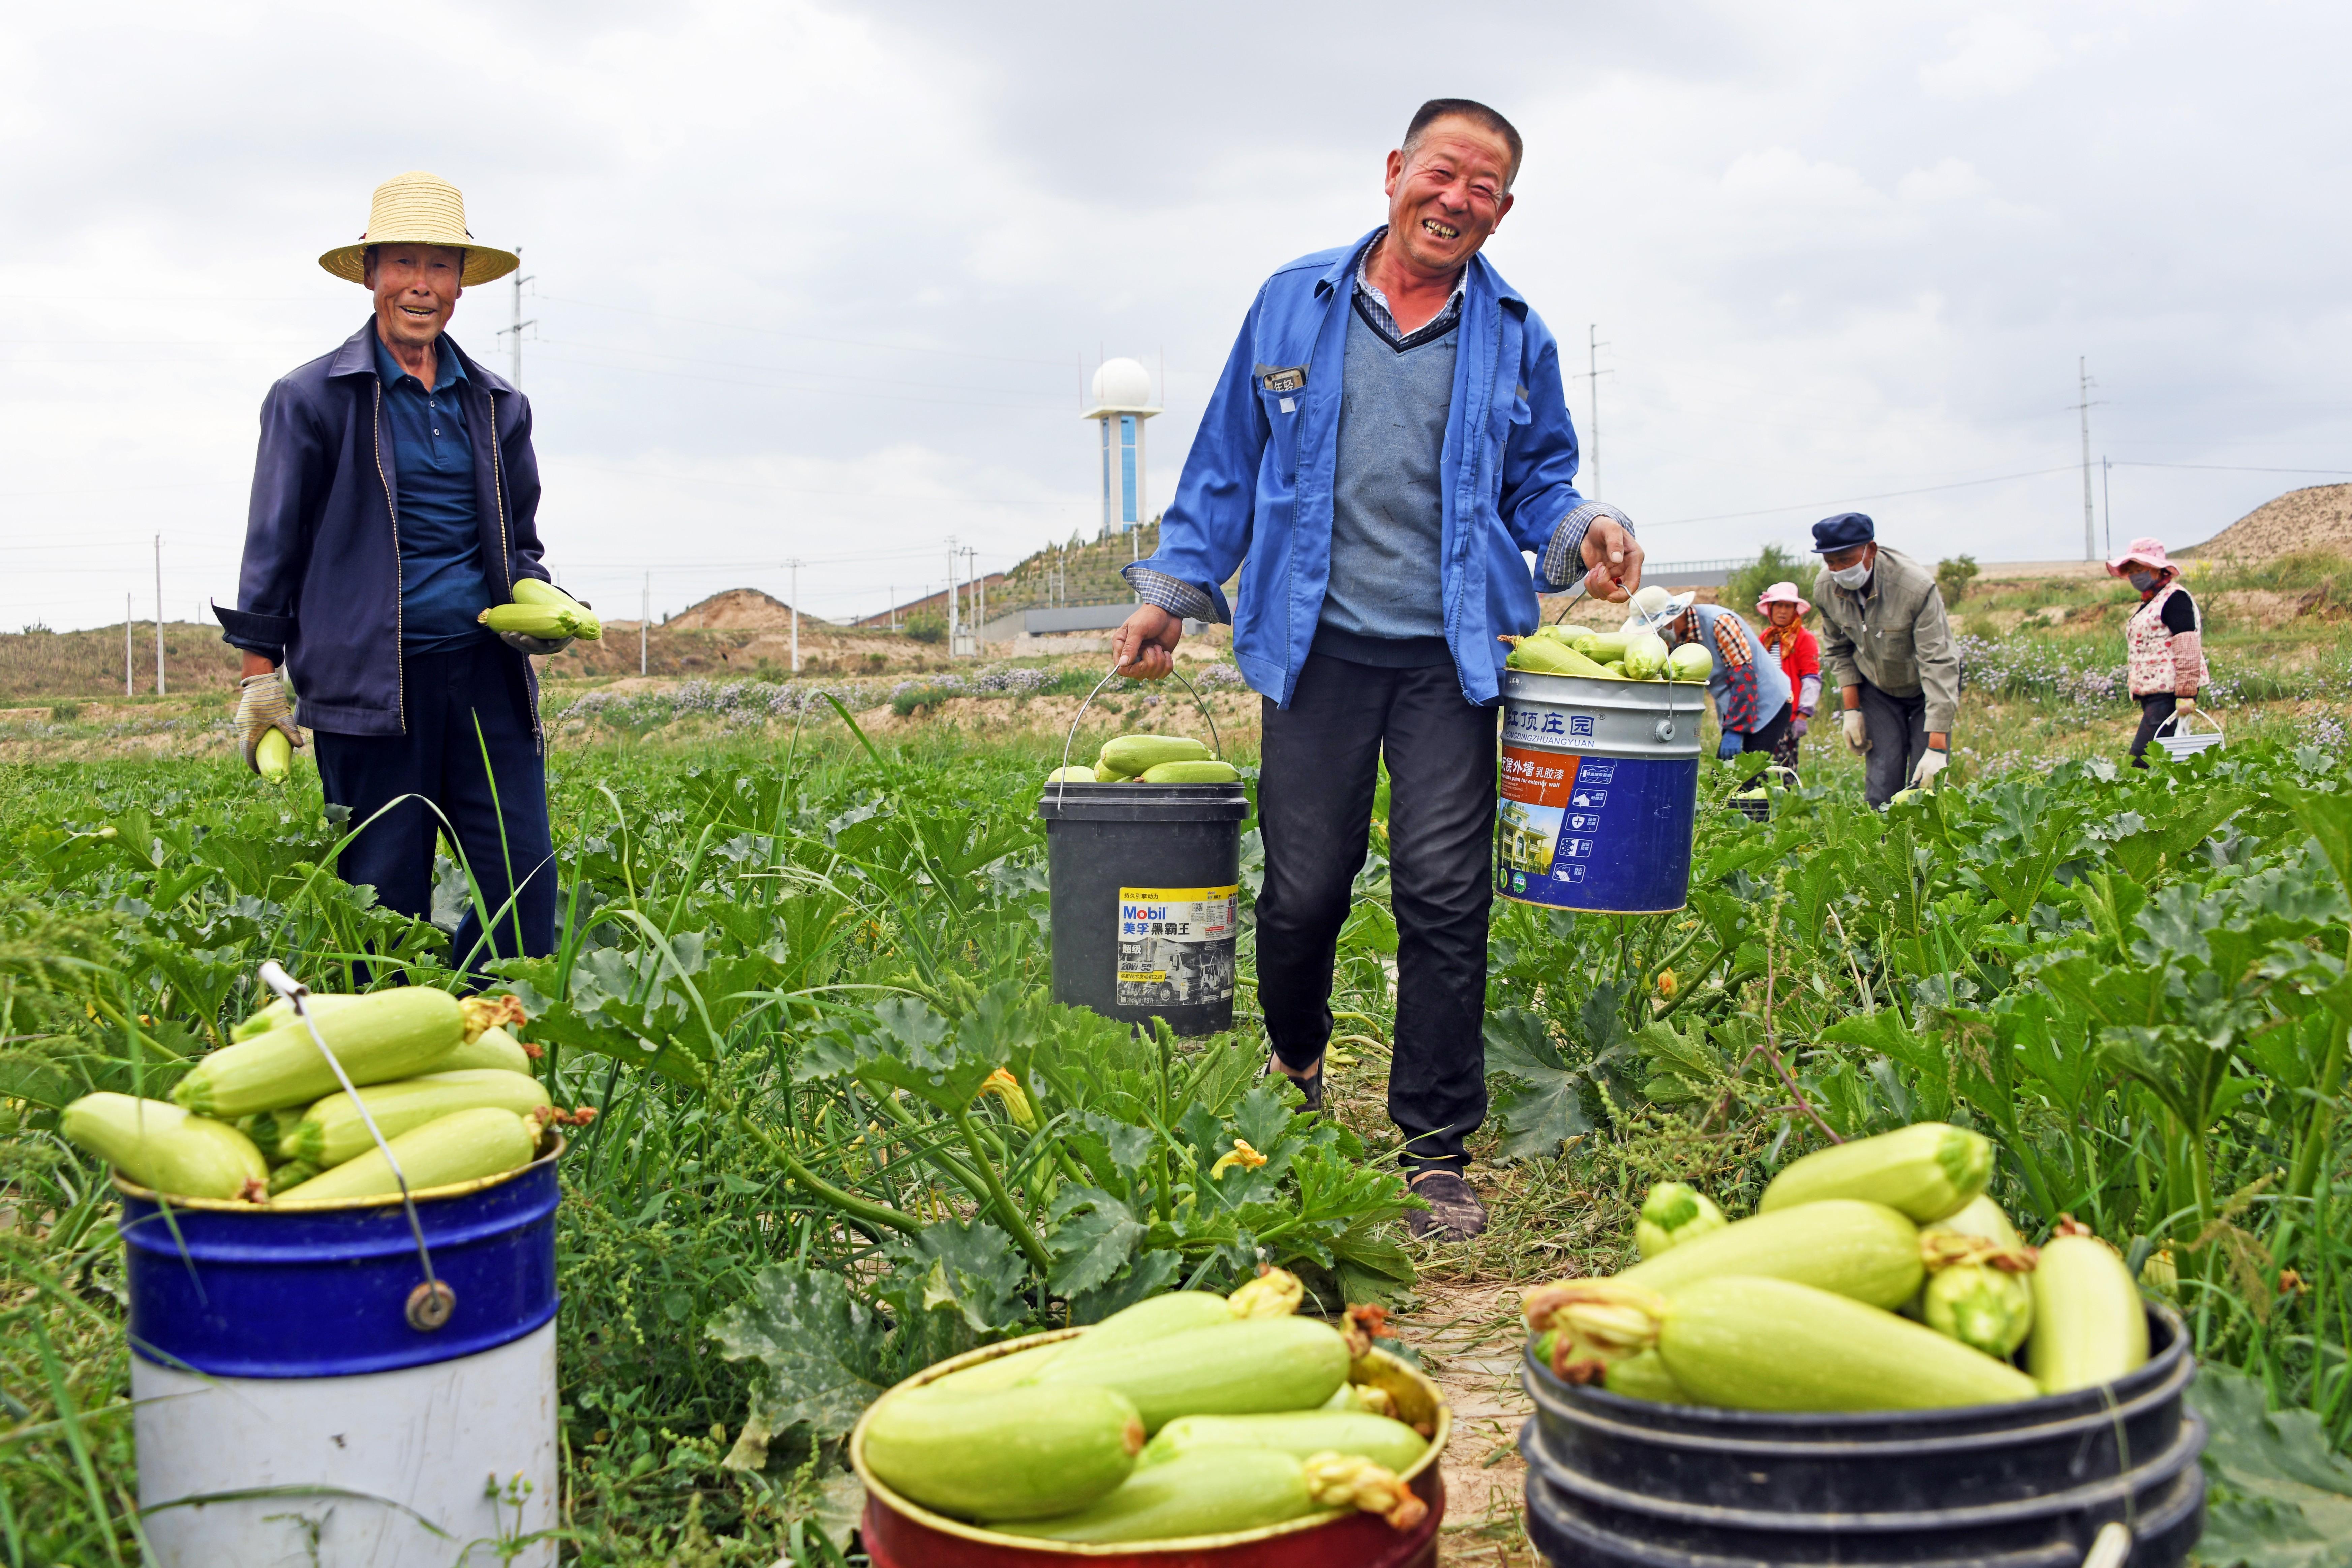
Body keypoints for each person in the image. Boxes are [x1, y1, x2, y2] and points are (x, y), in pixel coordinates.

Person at [1107, 99, 1644, 1241]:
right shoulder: (1292, 303)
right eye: (1441, 174)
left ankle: (1434, 1149)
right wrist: (1170, 593)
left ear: (1502, 209)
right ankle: (1295, 1065)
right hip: (1313, 649)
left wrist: (1585, 524)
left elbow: (1538, 483)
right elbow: (1222, 464)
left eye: (1484, 188)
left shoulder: (1514, 332)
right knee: (1302, 890)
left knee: (1444, 896)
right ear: (1394, 170)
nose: (1456, 201)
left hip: (1450, 656)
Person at [215, 171, 573, 972]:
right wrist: (259, 682)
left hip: (486, 683)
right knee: (382, 906)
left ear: (458, 284)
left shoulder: (496, 403)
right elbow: (271, 547)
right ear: (371, 272)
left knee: (525, 889)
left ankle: (483, 1033)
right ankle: (388, 1060)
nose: (423, 286)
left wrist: (547, 605)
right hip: (369, 691)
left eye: (441, 267)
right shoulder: (312, 398)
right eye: (405, 264)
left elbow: (519, 546)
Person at [1807, 513, 1960, 808]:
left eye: (1846, 559)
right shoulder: (1825, 588)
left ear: (1871, 550)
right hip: (1877, 688)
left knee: (1925, 785)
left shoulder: (1914, 588)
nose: (1838, 569)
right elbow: (1838, 651)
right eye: (1831, 562)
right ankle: (1880, 850)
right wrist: (1852, 710)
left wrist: (1937, 747)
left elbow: (1938, 663)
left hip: (1926, 687)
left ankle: (1925, 851)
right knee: (1881, 783)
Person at [1628, 587, 1792, 761]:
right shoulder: (1677, 639)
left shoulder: (1719, 623)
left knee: (1747, 777)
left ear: (1670, 622)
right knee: (1726, 779)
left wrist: (1736, 729)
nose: (1660, 635)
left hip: (1768, 703)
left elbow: (1744, 678)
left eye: (1658, 629)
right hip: (1737, 708)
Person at [2107, 537, 2206, 766]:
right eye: (2130, 570)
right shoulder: (2153, 600)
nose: (2134, 575)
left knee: (2142, 759)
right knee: (2162, 757)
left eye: (2140, 569)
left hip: (2170, 692)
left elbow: (2187, 646)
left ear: (2156, 569)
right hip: (2153, 691)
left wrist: (2186, 694)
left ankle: (2139, 798)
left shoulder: (2175, 598)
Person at [1754, 581, 1821, 772]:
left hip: (1788, 715)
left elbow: (1811, 678)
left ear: (1795, 610)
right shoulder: (1765, 637)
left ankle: (1788, 801)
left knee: (1786, 768)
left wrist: (1803, 715)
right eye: (1779, 606)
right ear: (1770, 608)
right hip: (1765, 714)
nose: (1783, 611)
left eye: (1788, 606)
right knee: (1761, 769)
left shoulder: (1804, 639)